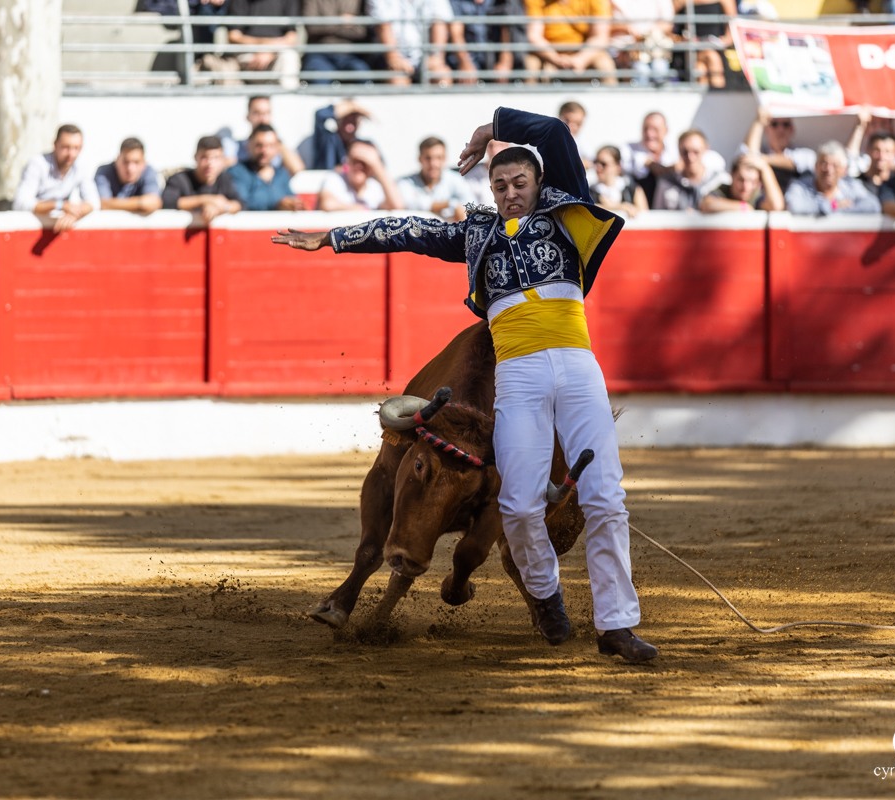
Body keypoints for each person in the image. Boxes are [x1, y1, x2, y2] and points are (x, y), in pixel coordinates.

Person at [272, 107, 657, 663]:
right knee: (518, 506)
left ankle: (616, 626)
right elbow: (409, 231)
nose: (510, 193)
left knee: (605, 499)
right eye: (500, 186)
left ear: (539, 182)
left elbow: (553, 132)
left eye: (519, 182)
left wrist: (492, 129)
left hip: (578, 367)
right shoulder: (477, 234)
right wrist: (332, 237)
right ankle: (546, 595)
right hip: (517, 373)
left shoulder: (564, 211)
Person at [13, 124, 100, 232]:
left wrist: (75, 213)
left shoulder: (81, 166)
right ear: (55, 144)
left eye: (76, 148)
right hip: (28, 229)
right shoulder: (37, 164)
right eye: (66, 147)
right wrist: (60, 205)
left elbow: (94, 201)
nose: (71, 153)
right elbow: (20, 203)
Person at [523, 0, 617, 85]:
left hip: (585, 54)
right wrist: (555, 58)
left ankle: (611, 98)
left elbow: (600, 38)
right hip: (547, 55)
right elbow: (534, 36)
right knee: (530, 65)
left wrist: (580, 60)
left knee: (606, 67)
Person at [783, 141, 880, 216]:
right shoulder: (800, 186)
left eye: (835, 165)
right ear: (816, 166)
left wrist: (837, 211)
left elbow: (873, 205)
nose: (829, 170)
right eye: (824, 164)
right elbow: (794, 206)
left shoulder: (852, 186)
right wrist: (833, 205)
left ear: (844, 170)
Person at [370, 0, 454, 86]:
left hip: (426, 55)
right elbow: (382, 26)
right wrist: (393, 57)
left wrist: (436, 56)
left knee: (442, 78)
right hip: (388, 56)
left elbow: (439, 23)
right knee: (396, 82)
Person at [162, 136, 245, 223]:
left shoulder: (225, 179)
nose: (210, 163)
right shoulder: (179, 179)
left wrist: (221, 208)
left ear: (223, 160)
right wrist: (206, 200)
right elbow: (167, 202)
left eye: (216, 158)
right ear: (195, 157)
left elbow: (240, 204)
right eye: (204, 157)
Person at [223, 0, 301, 89]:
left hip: (276, 52)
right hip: (247, 53)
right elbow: (233, 36)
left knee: (290, 56)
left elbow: (292, 38)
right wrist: (262, 47)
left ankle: (288, 96)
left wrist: (270, 50)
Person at [217, 96, 305, 175]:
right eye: (257, 113)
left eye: (267, 113)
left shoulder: (280, 147)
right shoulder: (235, 147)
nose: (262, 118)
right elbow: (222, 169)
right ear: (248, 116)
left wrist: (276, 143)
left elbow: (297, 169)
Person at [228, 124, 306, 211]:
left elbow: (291, 199)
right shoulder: (238, 171)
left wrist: (294, 205)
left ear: (277, 148)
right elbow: (241, 203)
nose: (264, 151)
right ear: (249, 145)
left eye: (270, 146)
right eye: (259, 145)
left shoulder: (282, 174)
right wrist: (277, 205)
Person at [739, 108, 817, 193]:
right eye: (774, 124)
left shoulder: (804, 154)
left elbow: (801, 162)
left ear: (792, 129)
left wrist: (761, 160)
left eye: (785, 124)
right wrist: (758, 123)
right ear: (766, 129)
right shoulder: (760, 152)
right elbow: (746, 159)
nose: (780, 129)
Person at [397, 137, 475, 221]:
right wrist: (451, 204)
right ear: (420, 159)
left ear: (444, 159)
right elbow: (405, 204)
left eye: (438, 158)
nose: (433, 164)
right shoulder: (406, 183)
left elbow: (472, 207)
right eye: (428, 158)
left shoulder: (456, 180)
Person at [651, 129, 728, 211]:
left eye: (696, 152)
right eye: (685, 152)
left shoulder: (720, 180)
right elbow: (657, 214)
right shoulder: (667, 183)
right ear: (679, 151)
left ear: (705, 149)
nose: (690, 157)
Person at [319, 143, 405, 211]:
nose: (359, 166)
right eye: (355, 161)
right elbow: (327, 204)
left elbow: (397, 205)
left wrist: (378, 167)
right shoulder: (335, 179)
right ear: (347, 161)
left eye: (364, 163)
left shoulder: (375, 187)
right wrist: (361, 209)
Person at [302, 0, 373, 84]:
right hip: (319, 53)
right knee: (319, 80)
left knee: (364, 76)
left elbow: (361, 31)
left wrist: (325, 23)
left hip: (348, 54)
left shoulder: (356, 2)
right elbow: (311, 27)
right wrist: (341, 21)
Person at [672, 0, 735, 89]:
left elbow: (733, 29)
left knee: (700, 67)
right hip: (688, 53)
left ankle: (715, 95)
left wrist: (723, 42)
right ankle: (720, 94)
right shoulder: (679, 1)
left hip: (717, 50)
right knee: (710, 58)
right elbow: (668, 30)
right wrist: (683, 39)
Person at [300, 100, 377, 171]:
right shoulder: (327, 140)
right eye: (346, 122)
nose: (349, 128)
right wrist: (340, 108)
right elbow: (320, 115)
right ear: (338, 121)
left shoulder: (363, 145)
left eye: (353, 122)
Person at [609, 0, 673, 85]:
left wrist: (645, 33)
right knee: (641, 70)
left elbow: (668, 24)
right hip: (624, 52)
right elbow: (604, 24)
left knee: (660, 68)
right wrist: (625, 27)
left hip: (654, 49)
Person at [699, 153, 784, 214]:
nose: (745, 186)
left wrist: (765, 168)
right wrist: (743, 207)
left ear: (758, 182)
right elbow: (706, 204)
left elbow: (776, 206)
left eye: (752, 181)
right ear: (732, 176)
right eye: (741, 180)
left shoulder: (755, 196)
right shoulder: (723, 190)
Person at [94, 138, 162, 214]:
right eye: (126, 162)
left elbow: (154, 202)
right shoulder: (104, 172)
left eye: (136, 162)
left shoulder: (149, 171)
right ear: (117, 160)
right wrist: (141, 203)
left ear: (144, 163)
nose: (130, 168)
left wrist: (113, 204)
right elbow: (101, 203)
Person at [589, 145, 647, 218]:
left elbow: (645, 215)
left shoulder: (632, 188)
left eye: (603, 164)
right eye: (596, 162)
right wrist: (619, 207)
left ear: (617, 165)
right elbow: (587, 209)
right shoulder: (589, 192)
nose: (598, 167)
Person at [463, 138, 510, 206]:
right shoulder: (471, 177)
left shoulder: (518, 172)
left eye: (500, 145)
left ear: (507, 146)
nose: (494, 150)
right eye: (490, 146)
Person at [856, 131, 895, 198]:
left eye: (887, 152)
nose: (881, 157)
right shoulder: (856, 184)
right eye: (877, 150)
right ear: (868, 150)